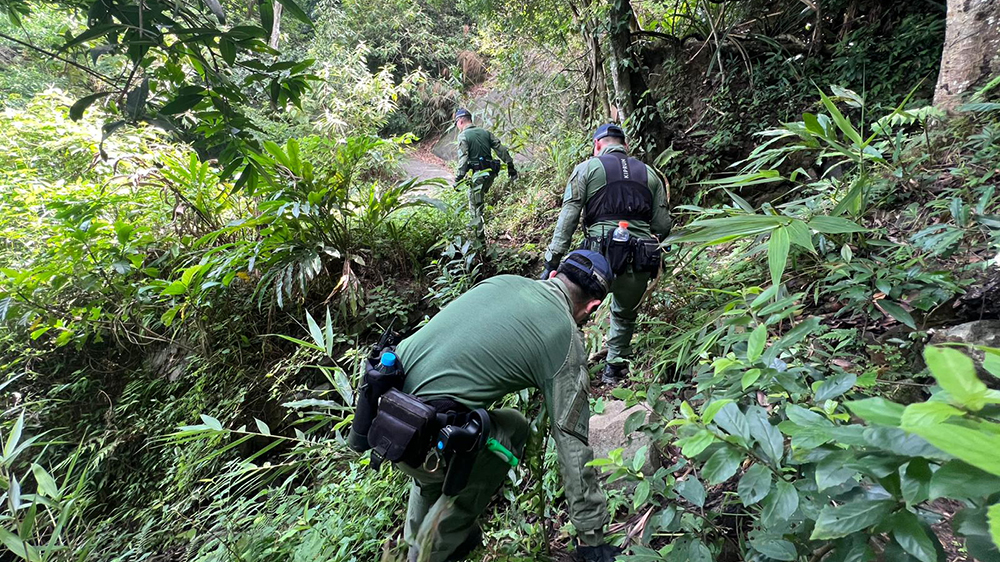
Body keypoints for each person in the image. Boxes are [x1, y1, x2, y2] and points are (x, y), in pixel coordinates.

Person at [393, 250, 620, 562]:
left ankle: (419, 541)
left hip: (388, 419)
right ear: (592, 306)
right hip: (429, 438)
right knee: (511, 432)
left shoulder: (503, 282)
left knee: (459, 432)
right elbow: (572, 443)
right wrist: (591, 538)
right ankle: (431, 551)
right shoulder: (564, 335)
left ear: (554, 276)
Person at [540, 124, 671, 385]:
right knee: (624, 315)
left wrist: (552, 261)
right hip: (639, 263)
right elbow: (662, 226)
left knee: (572, 312)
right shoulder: (650, 175)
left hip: (596, 264)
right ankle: (614, 369)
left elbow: (568, 219)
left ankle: (564, 371)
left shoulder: (587, 168)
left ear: (597, 145)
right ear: (625, 146)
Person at [453, 108, 517, 240]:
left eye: (456, 124)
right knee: (479, 202)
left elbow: (463, 159)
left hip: (478, 175)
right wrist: (511, 166)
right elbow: (501, 150)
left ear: (460, 121)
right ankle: (481, 234)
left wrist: (458, 178)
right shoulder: (485, 132)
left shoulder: (463, 136)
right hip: (491, 174)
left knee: (475, 208)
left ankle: (479, 241)